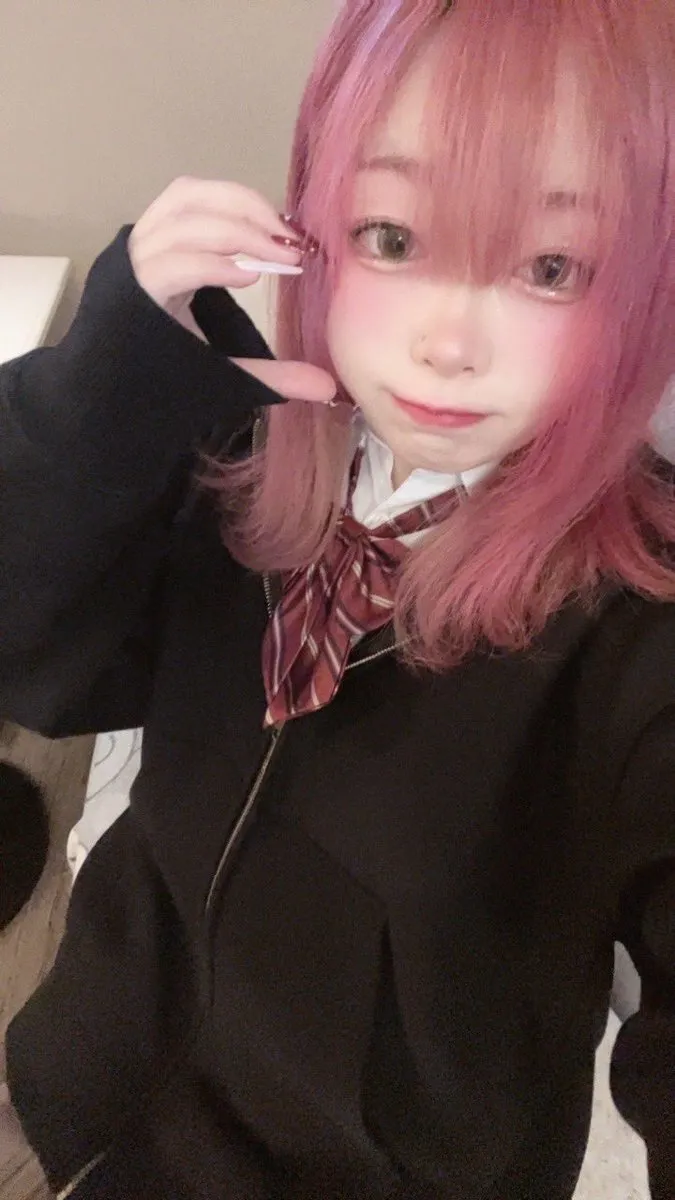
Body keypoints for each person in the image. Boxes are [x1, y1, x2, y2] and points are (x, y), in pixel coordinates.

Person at [0, 0, 674, 1196]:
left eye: (551, 266)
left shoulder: (642, 632)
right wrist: (109, 383)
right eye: (394, 238)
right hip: (83, 1089)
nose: (447, 341)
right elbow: (30, 653)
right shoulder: (234, 448)